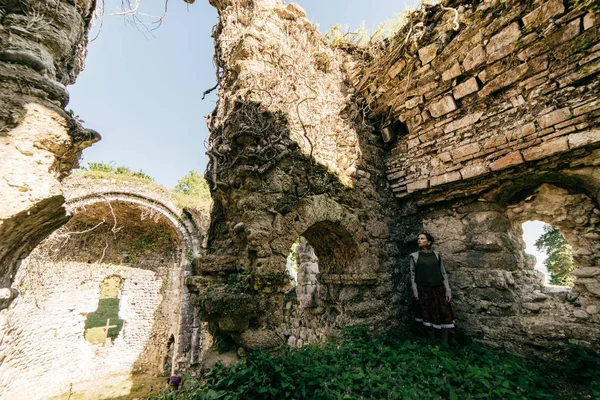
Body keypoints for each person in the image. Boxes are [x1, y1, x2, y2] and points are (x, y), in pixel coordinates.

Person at [409, 232, 455, 343]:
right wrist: (415, 292)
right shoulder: (414, 257)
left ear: (429, 242)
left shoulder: (437, 255)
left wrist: (447, 291)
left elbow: (443, 273)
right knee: (427, 316)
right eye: (418, 238)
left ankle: (445, 345)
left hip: (438, 290)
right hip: (423, 290)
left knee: (444, 315)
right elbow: (412, 275)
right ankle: (433, 343)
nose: (419, 240)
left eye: (422, 238)